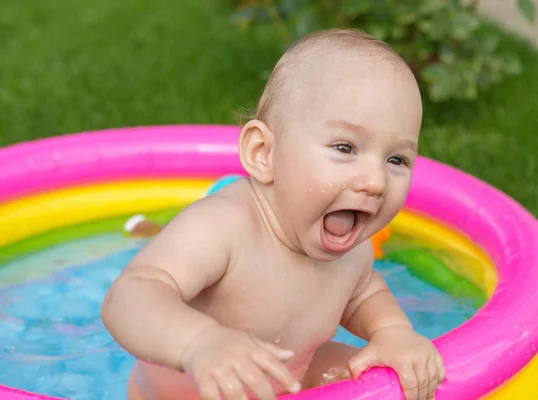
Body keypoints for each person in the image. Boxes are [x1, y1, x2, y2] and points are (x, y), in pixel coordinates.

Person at [102, 28, 445, 400]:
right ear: (263, 152)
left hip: (284, 376)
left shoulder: (351, 249)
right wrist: (199, 342)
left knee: (372, 377)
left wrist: (392, 331)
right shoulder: (223, 227)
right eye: (345, 147)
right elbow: (130, 296)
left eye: (397, 159)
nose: (375, 181)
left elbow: (363, 294)